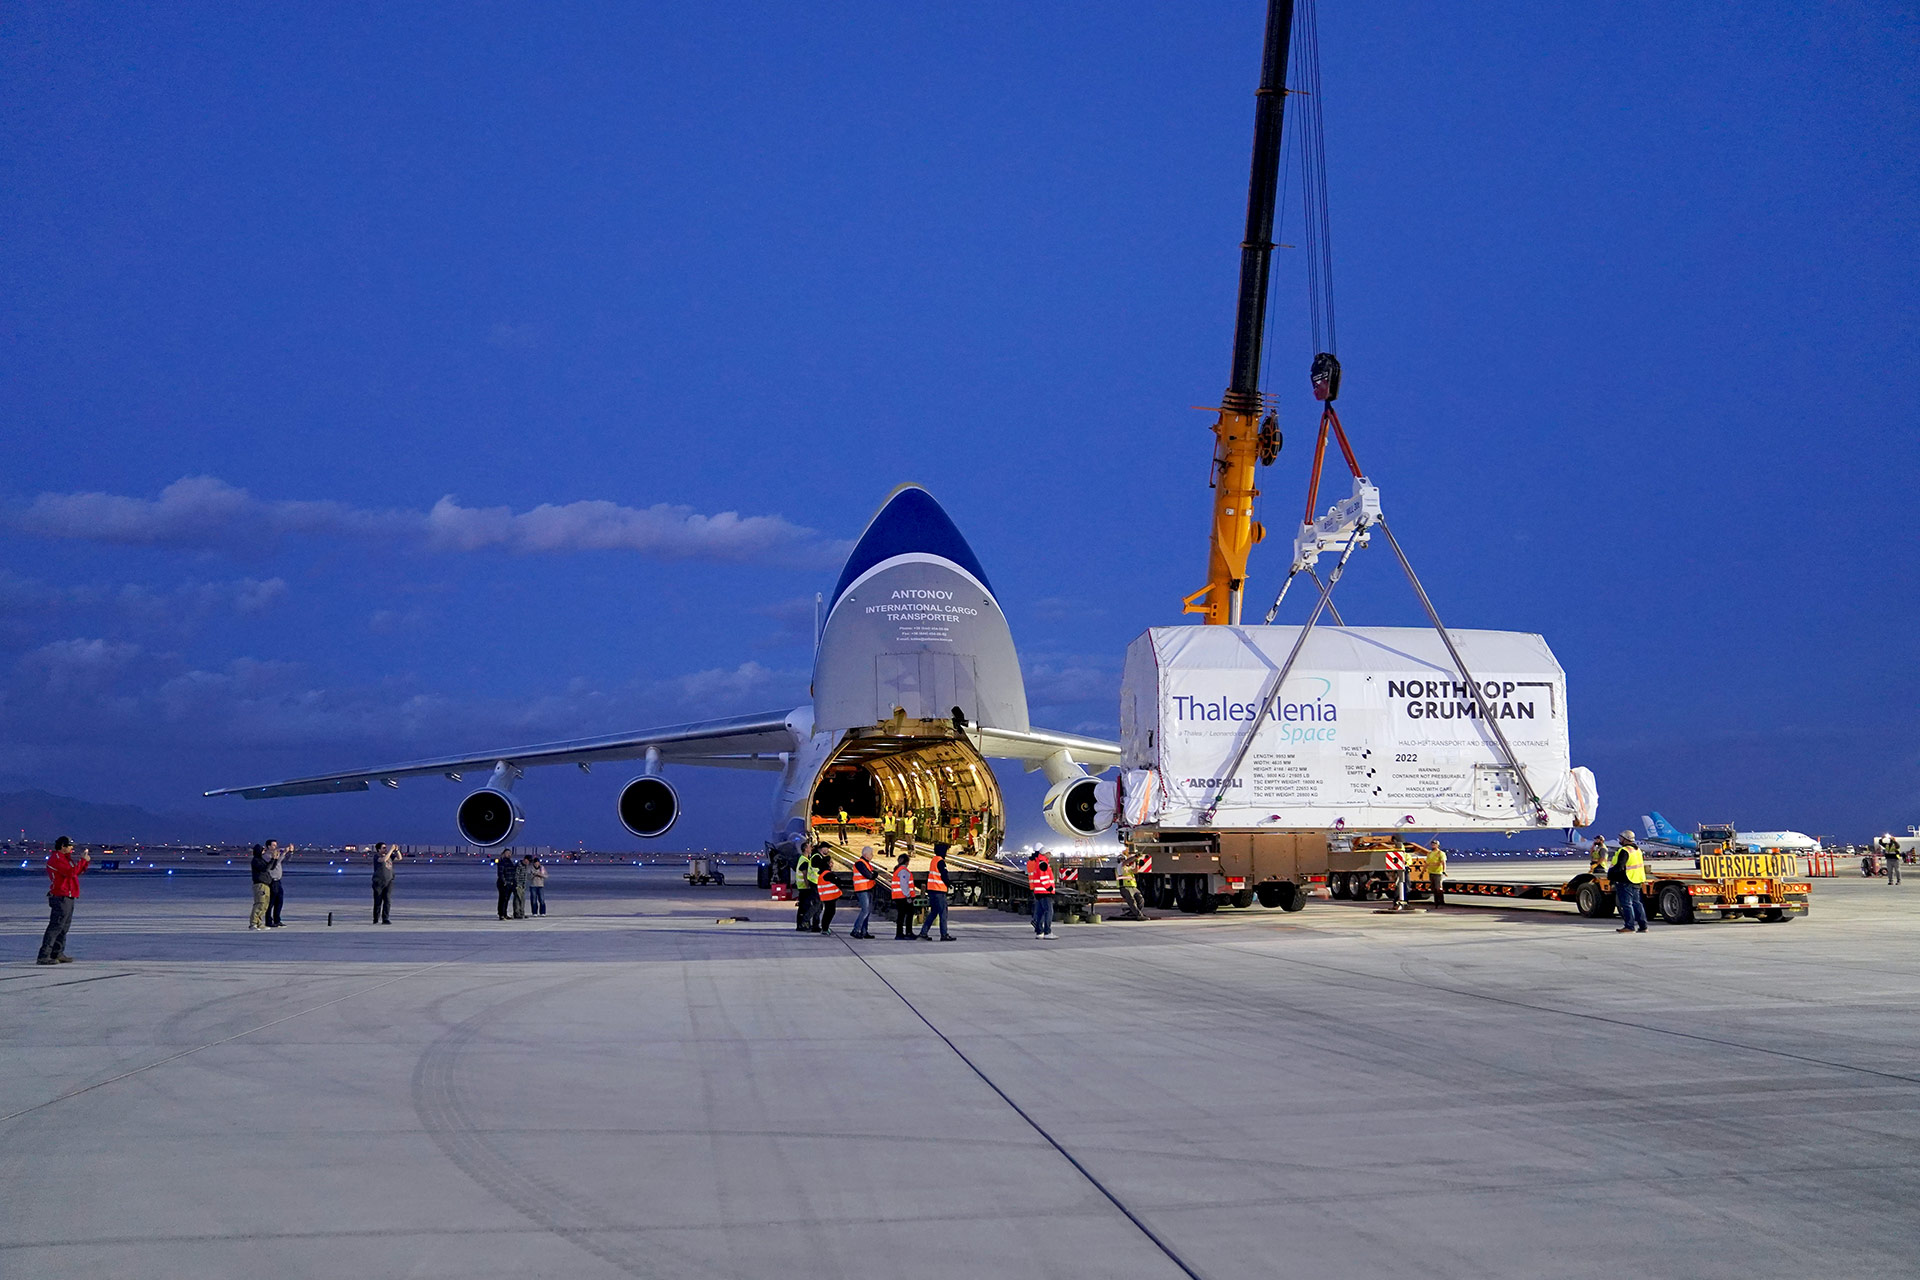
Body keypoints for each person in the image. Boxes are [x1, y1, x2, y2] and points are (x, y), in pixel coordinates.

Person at [36, 836, 91, 964]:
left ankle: (57, 953)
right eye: (70, 846)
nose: (72, 848)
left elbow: (76, 872)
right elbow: (70, 873)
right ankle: (44, 955)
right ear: (63, 846)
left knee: (64, 927)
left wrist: (85, 862)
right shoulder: (56, 859)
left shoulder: (66, 859)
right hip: (60, 896)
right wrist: (83, 860)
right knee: (56, 926)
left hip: (69, 895)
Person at [1611, 830, 1649, 933]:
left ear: (1625, 839)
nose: (1619, 840)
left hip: (1626, 879)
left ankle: (1629, 926)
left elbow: (1620, 866)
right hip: (1637, 879)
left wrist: (1611, 874)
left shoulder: (1624, 850)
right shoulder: (1637, 850)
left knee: (1627, 904)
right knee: (1637, 903)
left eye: (1620, 838)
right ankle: (1643, 926)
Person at [918, 842, 954, 941]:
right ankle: (944, 934)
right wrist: (949, 884)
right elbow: (944, 875)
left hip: (932, 890)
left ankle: (923, 933)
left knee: (933, 912)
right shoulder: (941, 862)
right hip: (939, 890)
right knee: (943, 913)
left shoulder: (933, 860)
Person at [848, 845, 878, 938]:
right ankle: (856, 930)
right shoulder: (860, 863)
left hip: (867, 889)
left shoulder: (866, 863)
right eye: (871, 854)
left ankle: (864, 931)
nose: (872, 855)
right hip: (862, 889)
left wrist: (873, 875)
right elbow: (869, 875)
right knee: (865, 910)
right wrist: (874, 875)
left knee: (867, 911)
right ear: (866, 855)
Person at [1027, 849, 1056, 938]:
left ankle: (1039, 932)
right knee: (1049, 912)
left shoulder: (1039, 862)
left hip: (1038, 891)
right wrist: (1050, 888)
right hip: (1044, 892)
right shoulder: (1043, 864)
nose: (1051, 855)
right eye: (1049, 853)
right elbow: (1044, 878)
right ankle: (1047, 932)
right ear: (1045, 853)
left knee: (1040, 912)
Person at [371, 842, 400, 924]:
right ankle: (376, 918)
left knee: (387, 900)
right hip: (378, 882)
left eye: (386, 848)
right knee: (378, 901)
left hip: (389, 881)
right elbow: (384, 860)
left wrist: (396, 850)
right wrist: (391, 850)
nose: (385, 849)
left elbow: (399, 858)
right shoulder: (377, 856)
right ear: (379, 849)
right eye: (383, 848)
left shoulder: (389, 855)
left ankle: (385, 918)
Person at [813, 851, 841, 934]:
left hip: (827, 896)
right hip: (829, 896)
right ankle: (825, 928)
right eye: (831, 862)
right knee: (830, 912)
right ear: (828, 864)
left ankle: (825, 927)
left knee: (829, 912)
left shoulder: (823, 873)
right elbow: (837, 880)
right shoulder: (827, 874)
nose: (832, 864)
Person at [892, 851, 917, 938]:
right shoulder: (903, 871)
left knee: (901, 915)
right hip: (903, 897)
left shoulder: (897, 870)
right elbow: (904, 885)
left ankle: (899, 933)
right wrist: (908, 896)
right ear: (907, 862)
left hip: (898, 896)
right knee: (909, 914)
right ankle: (908, 932)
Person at [264, 839, 287, 927]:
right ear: (269, 846)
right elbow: (274, 864)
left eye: (276, 845)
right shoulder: (266, 856)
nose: (275, 847)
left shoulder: (276, 855)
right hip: (272, 881)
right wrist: (282, 854)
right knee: (271, 902)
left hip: (278, 881)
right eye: (273, 845)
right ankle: (269, 921)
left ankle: (277, 919)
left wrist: (289, 853)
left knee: (279, 901)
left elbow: (284, 860)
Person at [249, 843, 273, 930]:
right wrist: (272, 859)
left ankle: (259, 922)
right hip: (260, 885)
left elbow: (270, 867)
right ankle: (253, 923)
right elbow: (265, 868)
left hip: (266, 884)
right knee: (260, 903)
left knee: (265, 905)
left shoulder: (261, 859)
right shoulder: (256, 860)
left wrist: (275, 859)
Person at [1116, 854, 1147, 921]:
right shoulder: (1120, 866)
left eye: (1123, 858)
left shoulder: (1128, 868)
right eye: (1121, 859)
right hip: (1125, 887)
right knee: (1132, 901)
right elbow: (1126, 862)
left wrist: (1137, 862)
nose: (1123, 860)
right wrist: (1135, 857)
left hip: (1133, 887)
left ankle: (1135, 913)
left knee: (1141, 899)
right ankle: (1139, 915)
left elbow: (1136, 871)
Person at [1424, 840, 1447, 909]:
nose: (1433, 845)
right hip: (1431, 872)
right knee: (1433, 889)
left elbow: (1443, 862)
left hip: (1438, 873)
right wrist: (1422, 872)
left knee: (1438, 888)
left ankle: (1441, 902)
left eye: (1435, 844)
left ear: (1438, 845)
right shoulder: (1429, 853)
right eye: (1432, 844)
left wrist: (1444, 871)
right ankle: (1436, 903)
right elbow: (1427, 863)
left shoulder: (1440, 853)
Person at [1385, 845, 1409, 912]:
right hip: (1398, 874)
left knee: (1406, 889)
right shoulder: (1394, 855)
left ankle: (1405, 903)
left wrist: (1404, 864)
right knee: (1397, 889)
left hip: (1405, 873)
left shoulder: (1407, 855)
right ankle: (1396, 904)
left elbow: (1409, 862)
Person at [495, 853, 516, 920]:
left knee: (506, 899)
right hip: (503, 884)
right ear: (503, 854)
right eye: (507, 853)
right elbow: (500, 873)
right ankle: (501, 914)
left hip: (510, 883)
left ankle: (505, 913)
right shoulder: (502, 862)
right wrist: (504, 882)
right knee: (502, 899)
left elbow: (513, 873)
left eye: (510, 853)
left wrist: (512, 882)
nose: (509, 854)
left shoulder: (510, 862)